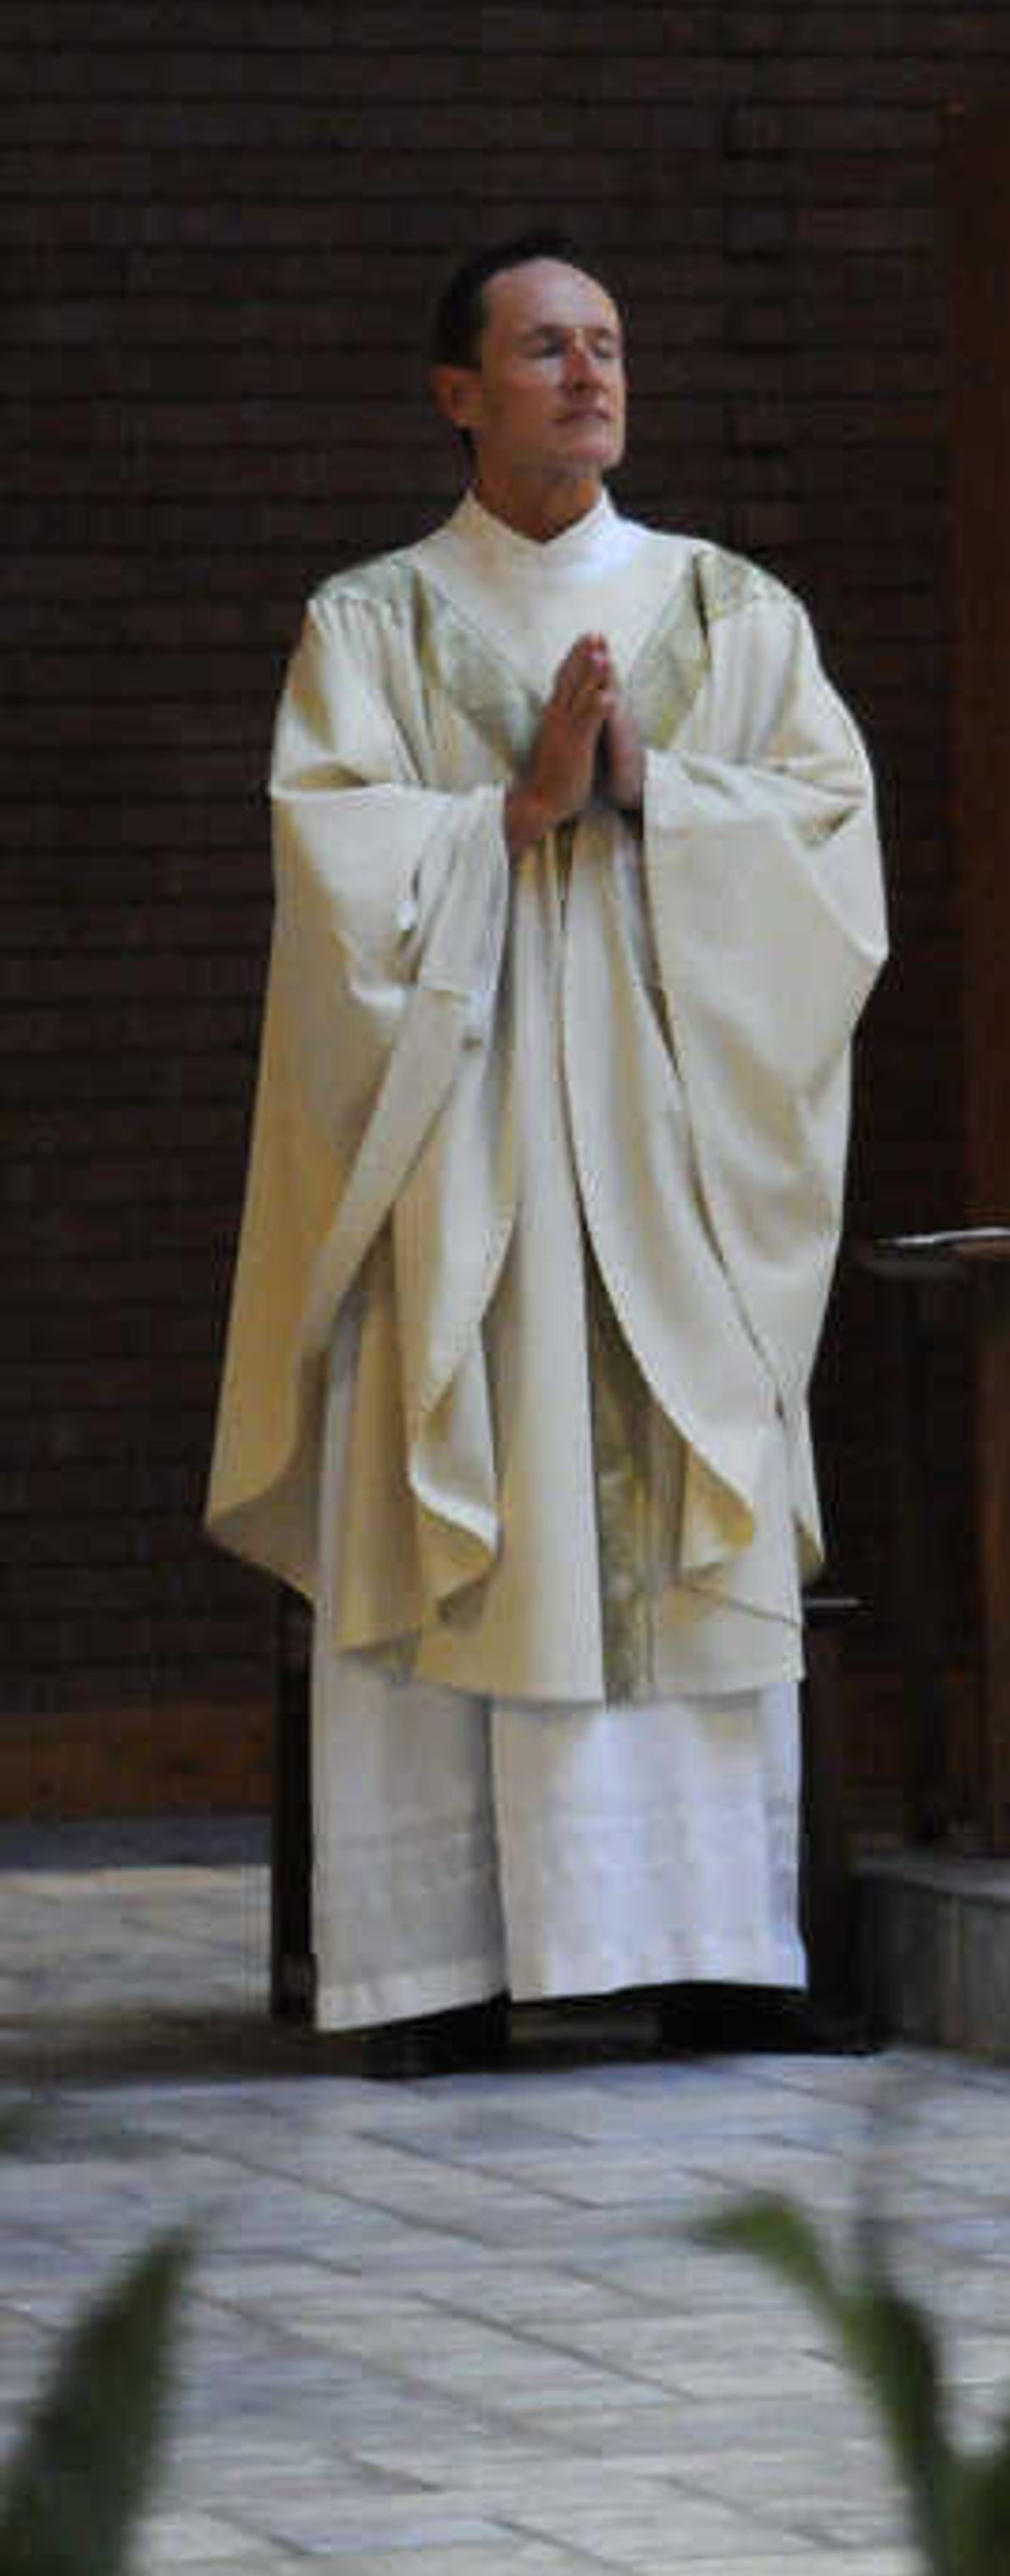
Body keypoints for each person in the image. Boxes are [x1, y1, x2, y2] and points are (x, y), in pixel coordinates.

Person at [208, 238, 885, 2062]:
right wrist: (505, 817)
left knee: (678, 1500)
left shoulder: (733, 616)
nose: (588, 377)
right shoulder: (371, 623)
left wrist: (663, 790)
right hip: (466, 1161)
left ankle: (712, 1950)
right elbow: (327, 868)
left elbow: (834, 859)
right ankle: (438, 1971)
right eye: (542, 351)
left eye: (607, 347)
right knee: (466, 1489)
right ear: (457, 393)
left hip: (674, 1169)